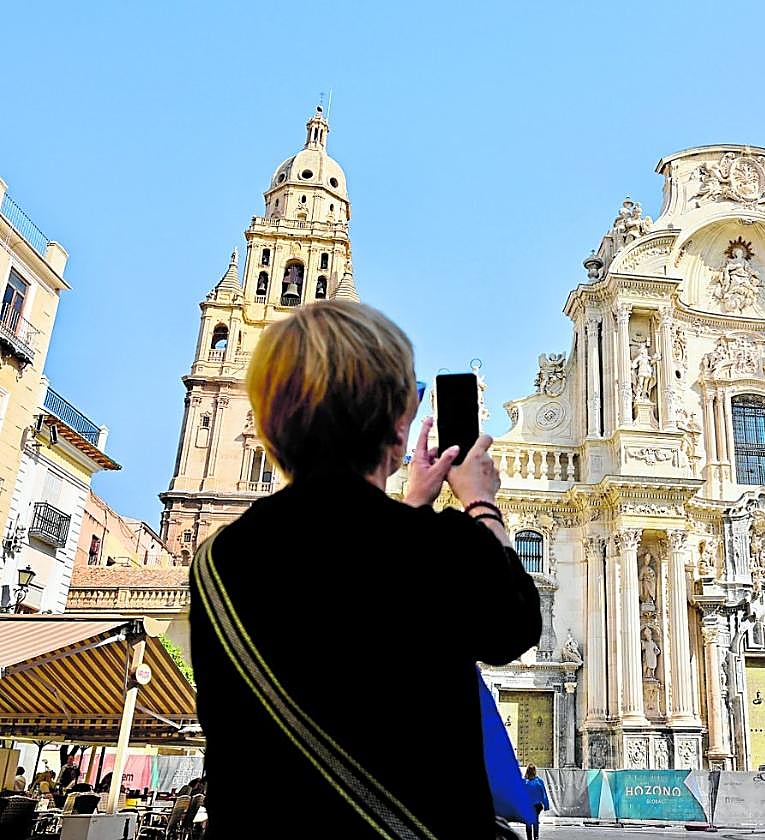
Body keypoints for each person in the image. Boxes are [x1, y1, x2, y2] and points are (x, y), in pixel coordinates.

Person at [190, 301, 541, 839]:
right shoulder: (438, 547)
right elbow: (513, 627)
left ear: (268, 423)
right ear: (398, 426)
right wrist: (480, 503)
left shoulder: (218, 560)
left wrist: (412, 504)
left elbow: (354, 562)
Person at [522, 765, 549, 840]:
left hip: (527, 805)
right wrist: (546, 805)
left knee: (528, 822)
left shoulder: (524, 782)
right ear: (534, 771)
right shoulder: (539, 781)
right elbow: (544, 794)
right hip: (537, 805)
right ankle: (536, 837)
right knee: (535, 820)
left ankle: (529, 838)